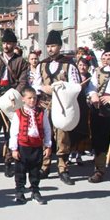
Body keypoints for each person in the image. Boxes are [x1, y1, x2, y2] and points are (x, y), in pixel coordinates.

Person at [33, 30, 79, 185]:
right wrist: (41, 89)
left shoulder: (69, 64)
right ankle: (45, 166)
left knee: (62, 137)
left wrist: (61, 87)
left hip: (62, 106)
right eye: (48, 46)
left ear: (60, 46)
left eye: (53, 46)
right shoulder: (42, 64)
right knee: (45, 135)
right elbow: (35, 84)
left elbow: (75, 86)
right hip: (45, 104)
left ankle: (63, 168)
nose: (50, 49)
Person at [0, 29, 29, 175]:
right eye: (4, 43)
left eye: (9, 43)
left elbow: (22, 81)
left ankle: (9, 162)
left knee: (11, 132)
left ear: (14, 44)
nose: (6, 45)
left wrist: (12, 96)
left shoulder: (20, 61)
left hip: (12, 99)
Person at [86, 41, 110, 184]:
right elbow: (91, 87)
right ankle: (99, 170)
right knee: (99, 141)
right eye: (106, 54)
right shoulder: (98, 71)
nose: (108, 57)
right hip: (100, 110)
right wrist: (93, 94)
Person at [9, 87, 51, 204]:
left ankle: (35, 191)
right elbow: (14, 132)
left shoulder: (42, 112)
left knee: (35, 170)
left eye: (34, 98)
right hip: (23, 146)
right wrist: (14, 149)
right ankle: (20, 191)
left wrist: (47, 145)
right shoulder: (19, 113)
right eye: (29, 98)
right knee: (20, 170)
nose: (32, 100)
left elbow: (47, 129)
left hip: (37, 146)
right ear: (23, 99)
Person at [69, 56, 92, 165]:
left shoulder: (90, 78)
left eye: (84, 65)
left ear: (88, 67)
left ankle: (79, 155)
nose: (82, 67)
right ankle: (69, 154)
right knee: (72, 130)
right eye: (80, 65)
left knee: (82, 131)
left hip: (84, 106)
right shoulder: (73, 76)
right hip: (74, 104)